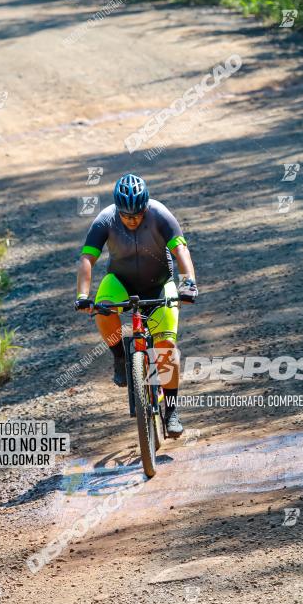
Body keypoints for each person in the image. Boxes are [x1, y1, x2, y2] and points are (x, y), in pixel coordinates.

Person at [74, 173, 198, 437]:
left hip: (159, 283)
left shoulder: (160, 214)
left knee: (165, 346)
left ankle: (171, 410)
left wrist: (189, 283)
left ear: (146, 206)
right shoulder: (105, 219)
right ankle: (120, 356)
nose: (132, 220)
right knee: (102, 306)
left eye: (137, 214)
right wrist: (83, 295)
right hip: (120, 282)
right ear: (117, 209)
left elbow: (181, 250)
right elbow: (87, 258)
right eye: (126, 215)